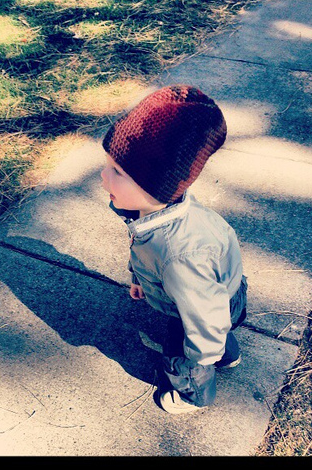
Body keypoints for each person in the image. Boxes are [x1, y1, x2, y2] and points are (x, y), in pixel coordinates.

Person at [100, 85, 247, 414]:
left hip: (204, 309)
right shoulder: (154, 214)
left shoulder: (180, 257)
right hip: (220, 296)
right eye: (106, 165)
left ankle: (194, 395)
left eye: (117, 172)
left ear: (157, 185)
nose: (103, 176)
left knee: (183, 357)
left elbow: (206, 315)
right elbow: (143, 249)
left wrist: (202, 355)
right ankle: (228, 354)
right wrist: (138, 278)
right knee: (215, 326)